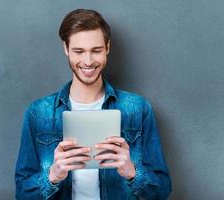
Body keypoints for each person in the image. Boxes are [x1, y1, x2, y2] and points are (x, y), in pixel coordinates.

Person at [15, 8, 171, 200]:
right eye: (78, 51)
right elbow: (22, 194)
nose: (87, 61)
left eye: (96, 51)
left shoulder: (138, 109)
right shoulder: (38, 113)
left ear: (107, 47)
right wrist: (52, 176)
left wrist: (132, 173)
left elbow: (162, 190)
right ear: (66, 49)